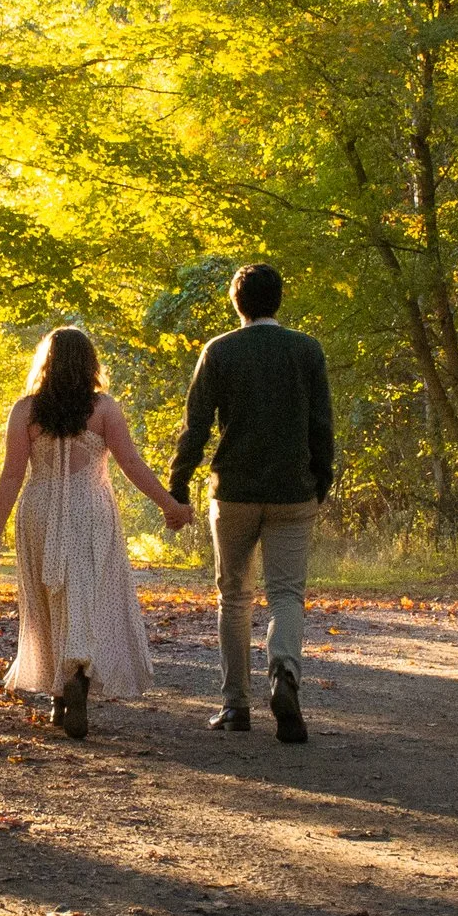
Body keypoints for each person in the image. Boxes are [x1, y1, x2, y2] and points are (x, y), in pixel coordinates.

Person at [0, 327, 193, 739]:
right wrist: (171, 506)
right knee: (86, 596)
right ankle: (77, 673)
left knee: (49, 598)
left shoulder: (26, 411)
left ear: (47, 362)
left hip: (38, 508)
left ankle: (61, 692)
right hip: (90, 509)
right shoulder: (104, 409)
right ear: (90, 363)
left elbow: (11, 475)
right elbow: (131, 465)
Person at [167, 263, 333, 744]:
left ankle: (236, 707)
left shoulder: (219, 351)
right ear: (278, 300)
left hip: (235, 491)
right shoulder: (306, 350)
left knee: (234, 597)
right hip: (292, 491)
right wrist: (321, 478)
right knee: (286, 594)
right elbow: (321, 423)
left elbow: (195, 426)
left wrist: (179, 485)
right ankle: (284, 673)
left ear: (236, 303)